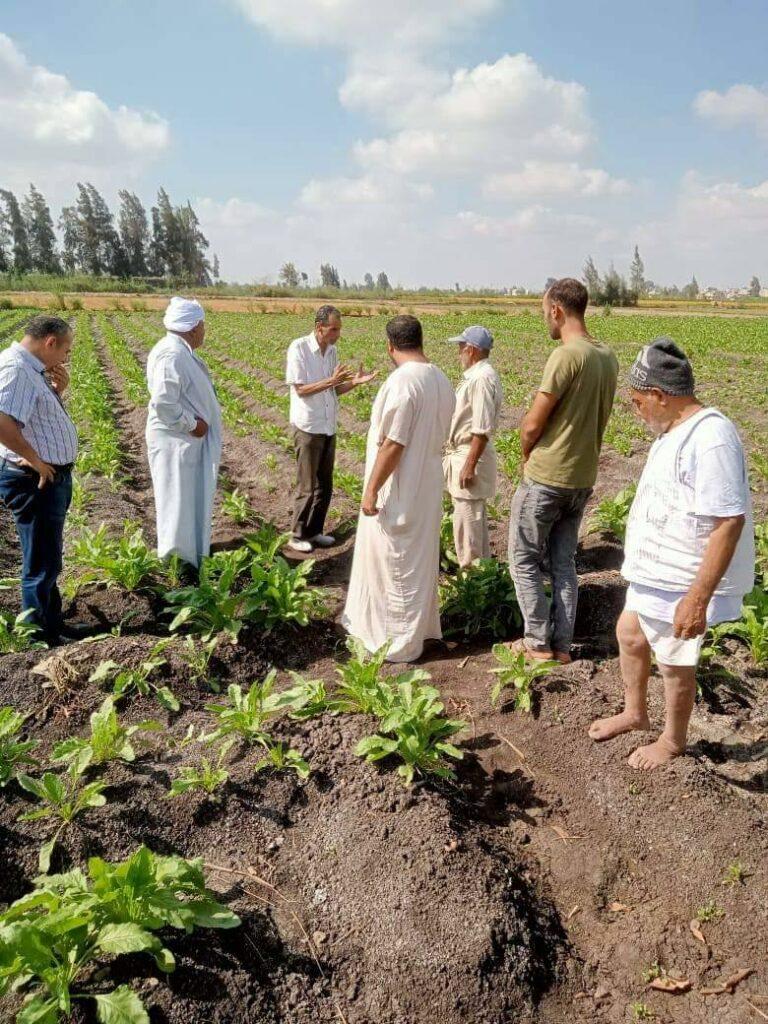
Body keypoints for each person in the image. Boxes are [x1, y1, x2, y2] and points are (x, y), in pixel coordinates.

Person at [589, 338, 754, 769]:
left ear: (660, 396)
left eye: (637, 401)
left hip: (681, 579)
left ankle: (672, 740)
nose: (635, 410)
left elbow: (728, 521)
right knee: (629, 633)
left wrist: (697, 598)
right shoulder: (674, 431)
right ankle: (635, 712)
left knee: (675, 659)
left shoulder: (712, 437)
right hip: (654, 572)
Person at [508, 278, 618, 663]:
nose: (545, 320)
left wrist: (525, 453)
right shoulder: (607, 357)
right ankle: (562, 646)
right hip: (581, 480)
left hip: (548, 476)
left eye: (545, 312)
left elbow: (533, 425)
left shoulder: (566, 356)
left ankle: (537, 643)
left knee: (522, 558)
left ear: (557, 309)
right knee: (563, 564)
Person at [342, 315, 455, 663]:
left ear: (390, 345)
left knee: (394, 563)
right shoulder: (440, 379)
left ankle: (397, 643)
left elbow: (394, 443)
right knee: (417, 563)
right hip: (428, 484)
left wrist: (371, 489)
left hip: (402, 487)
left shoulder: (404, 383)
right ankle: (415, 632)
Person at [0, 315, 88, 644]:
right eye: (66, 349)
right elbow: (2, 420)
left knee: (48, 558)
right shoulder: (16, 369)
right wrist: (36, 460)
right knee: (40, 562)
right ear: (50, 342)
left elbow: (33, 417)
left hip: (46, 476)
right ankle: (38, 639)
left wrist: (57, 392)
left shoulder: (30, 369)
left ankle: (52, 624)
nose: (66, 357)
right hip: (34, 479)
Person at [285, 306, 377, 553]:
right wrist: (331, 381)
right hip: (308, 426)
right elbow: (301, 389)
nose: (338, 334)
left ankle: (314, 531)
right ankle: (297, 534)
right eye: (334, 329)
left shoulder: (332, 352)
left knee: (325, 484)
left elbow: (332, 390)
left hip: (327, 425)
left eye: (339, 329)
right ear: (319, 328)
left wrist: (353, 383)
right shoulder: (299, 348)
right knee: (306, 484)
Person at [146, 297, 222, 574]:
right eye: (202, 325)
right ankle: (176, 563)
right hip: (176, 442)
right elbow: (164, 403)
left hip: (185, 443)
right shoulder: (172, 354)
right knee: (176, 499)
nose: (204, 331)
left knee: (186, 498)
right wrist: (192, 424)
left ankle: (189, 555)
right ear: (192, 327)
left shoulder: (180, 351)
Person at [443, 326, 503, 567]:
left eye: (461, 348)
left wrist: (468, 466)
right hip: (465, 453)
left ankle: (472, 578)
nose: (459, 353)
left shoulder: (480, 378)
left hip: (470, 454)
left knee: (467, 523)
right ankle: (482, 574)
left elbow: (481, 427)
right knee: (472, 522)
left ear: (471, 350)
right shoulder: (479, 375)